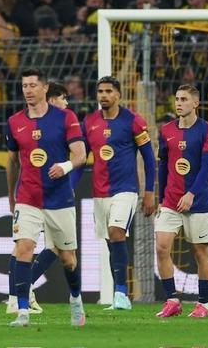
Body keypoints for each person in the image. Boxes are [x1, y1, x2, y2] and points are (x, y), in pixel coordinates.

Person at [5, 69, 87, 328]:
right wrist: (12, 195)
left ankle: (75, 300)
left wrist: (65, 167)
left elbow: (80, 154)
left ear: (44, 88)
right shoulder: (14, 122)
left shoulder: (66, 118)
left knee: (67, 259)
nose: (28, 90)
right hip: (28, 198)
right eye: (24, 85)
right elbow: (12, 161)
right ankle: (22, 311)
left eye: (32, 85)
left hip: (59, 198)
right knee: (23, 249)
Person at [81, 76, 156, 310]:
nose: (103, 95)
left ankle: (122, 293)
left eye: (108, 91)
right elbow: (81, 156)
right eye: (100, 91)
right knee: (110, 241)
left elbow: (149, 158)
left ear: (118, 95)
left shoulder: (133, 121)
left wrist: (150, 192)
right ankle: (118, 294)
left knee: (116, 233)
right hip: (99, 192)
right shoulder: (89, 122)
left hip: (126, 189)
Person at [154, 85, 208, 319]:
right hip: (171, 201)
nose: (179, 103)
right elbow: (163, 165)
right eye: (177, 99)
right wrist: (161, 198)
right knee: (161, 247)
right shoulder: (167, 130)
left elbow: (207, 166)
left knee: (201, 252)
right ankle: (172, 300)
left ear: (195, 103)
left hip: (199, 202)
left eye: (184, 99)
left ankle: (203, 304)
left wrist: (191, 193)